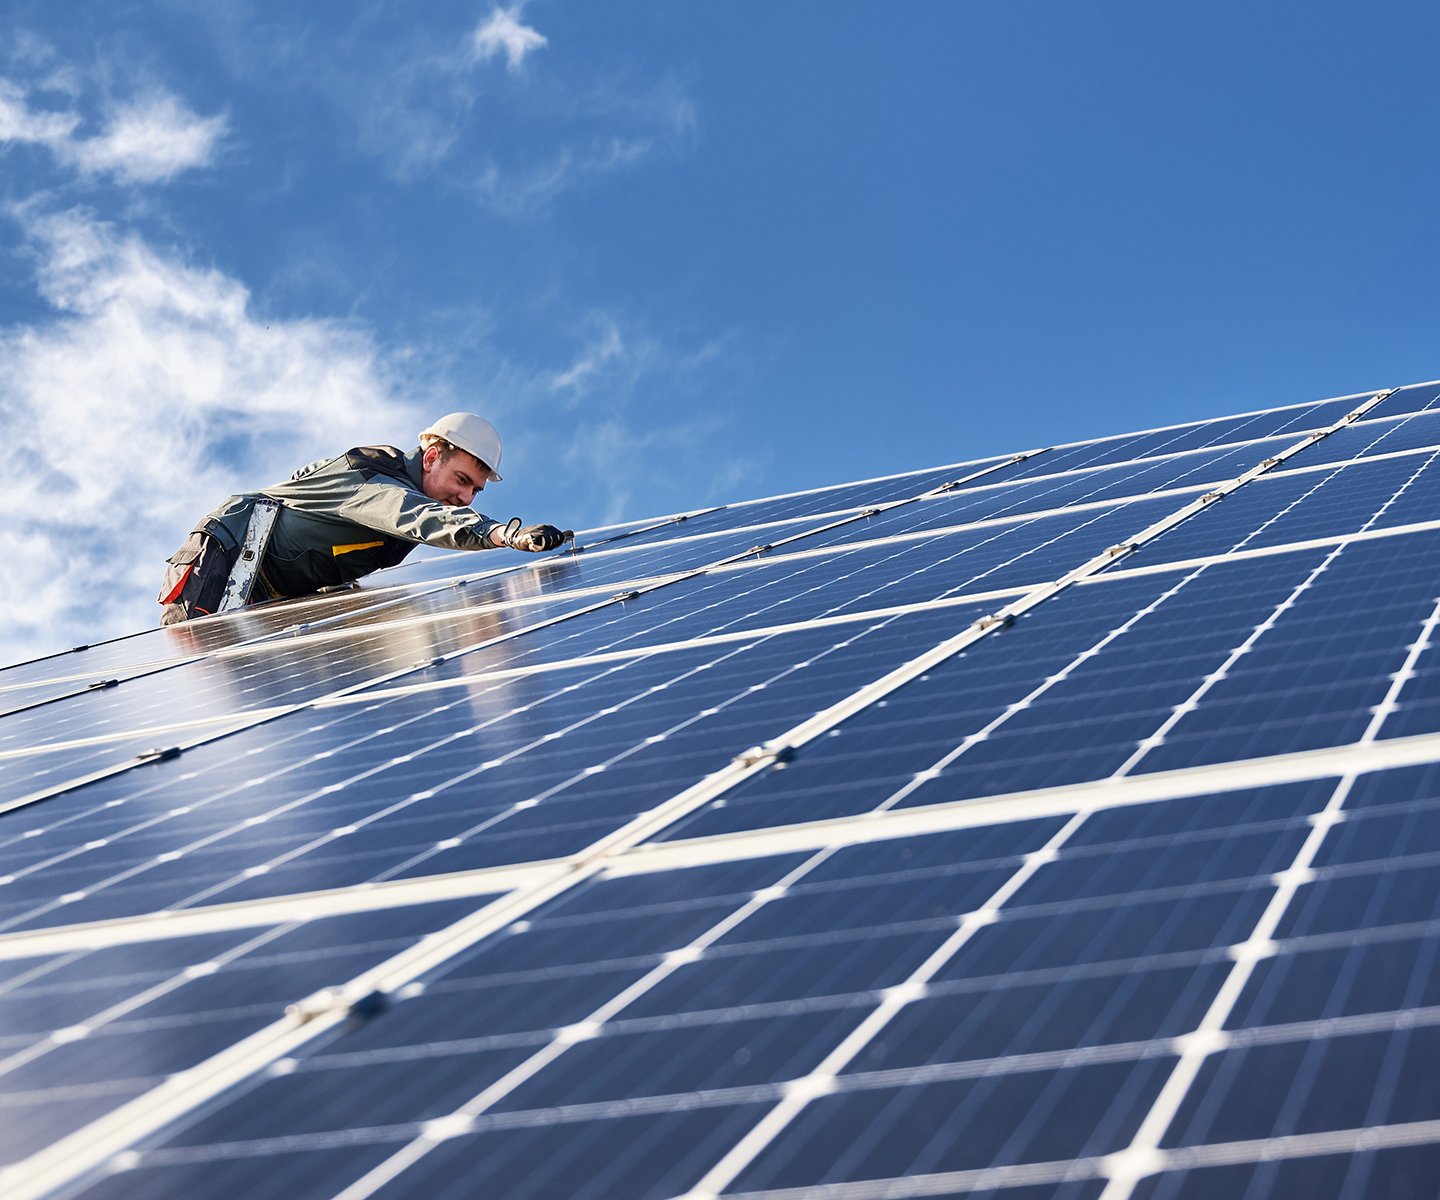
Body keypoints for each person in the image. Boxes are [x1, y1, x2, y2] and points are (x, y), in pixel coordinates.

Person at [158, 413, 566, 624]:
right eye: (462, 480)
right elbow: (414, 513)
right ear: (430, 457)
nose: (464, 497)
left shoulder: (408, 507)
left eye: (476, 490)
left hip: (277, 591)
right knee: (201, 677)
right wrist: (502, 533)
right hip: (229, 556)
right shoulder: (376, 473)